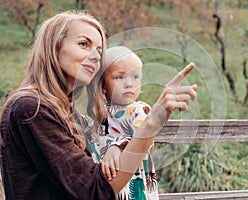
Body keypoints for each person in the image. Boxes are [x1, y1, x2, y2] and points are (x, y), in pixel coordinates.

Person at [0, 10, 197, 200]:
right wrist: (150, 123)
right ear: (54, 47)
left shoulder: (65, 110)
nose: (95, 56)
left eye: (99, 51)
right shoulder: (31, 108)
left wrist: (118, 146)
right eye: (84, 44)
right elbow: (94, 191)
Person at [89, 46, 158, 200]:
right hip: (105, 184)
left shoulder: (139, 110)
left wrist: (117, 146)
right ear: (103, 86)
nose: (129, 84)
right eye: (120, 77)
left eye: (135, 77)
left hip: (132, 184)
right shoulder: (100, 114)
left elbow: (145, 140)